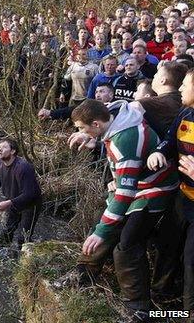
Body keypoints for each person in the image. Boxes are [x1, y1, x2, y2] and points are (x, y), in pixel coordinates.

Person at [70, 99, 179, 321]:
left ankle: (138, 308)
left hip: (154, 190)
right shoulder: (117, 116)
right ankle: (84, 273)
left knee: (126, 244)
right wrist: (96, 143)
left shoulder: (125, 140)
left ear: (96, 124)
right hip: (139, 185)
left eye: (82, 128)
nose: (81, 132)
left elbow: (124, 194)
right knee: (103, 226)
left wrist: (102, 231)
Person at [147, 69, 194, 315]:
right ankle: (162, 297)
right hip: (182, 195)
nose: (181, 89)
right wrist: (160, 152)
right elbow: (169, 140)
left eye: (186, 85)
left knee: (191, 262)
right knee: (167, 243)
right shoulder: (184, 113)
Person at [0, 139, 42, 249]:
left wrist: (8, 203)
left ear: (13, 151)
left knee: (23, 238)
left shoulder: (23, 167)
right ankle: (3, 255)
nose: (0, 149)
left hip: (31, 205)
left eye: (4, 147)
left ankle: (23, 261)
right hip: (13, 200)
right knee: (6, 232)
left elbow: (29, 193)